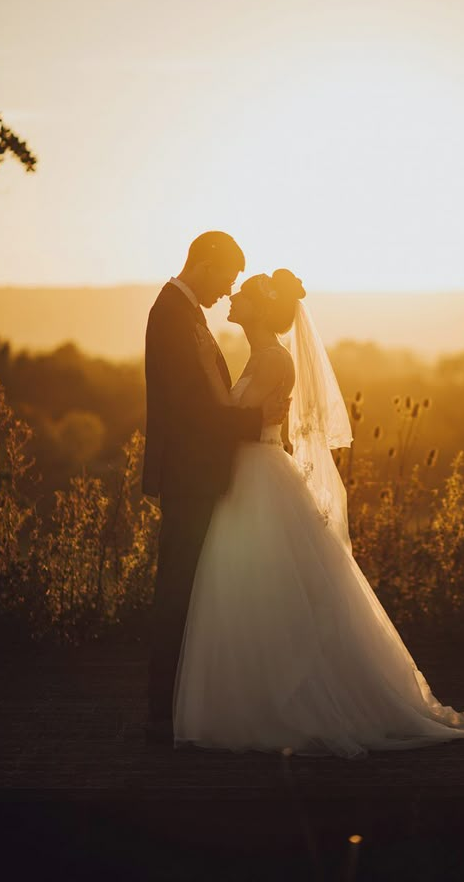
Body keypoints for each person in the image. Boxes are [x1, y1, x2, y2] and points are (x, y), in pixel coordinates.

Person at [172, 268, 464, 759]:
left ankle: (293, 704)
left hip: (259, 476)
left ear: (261, 308)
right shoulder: (262, 357)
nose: (232, 298)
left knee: (269, 592)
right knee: (249, 591)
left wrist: (202, 380)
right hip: (249, 478)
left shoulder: (274, 359)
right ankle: (256, 699)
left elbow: (232, 422)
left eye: (242, 294)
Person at [142, 232, 289, 742]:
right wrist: (253, 425)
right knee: (179, 589)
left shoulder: (186, 314)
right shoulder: (171, 315)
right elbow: (189, 408)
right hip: (189, 475)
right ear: (204, 263)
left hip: (203, 474)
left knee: (195, 591)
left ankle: (182, 706)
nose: (229, 290)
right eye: (227, 276)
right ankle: (166, 713)